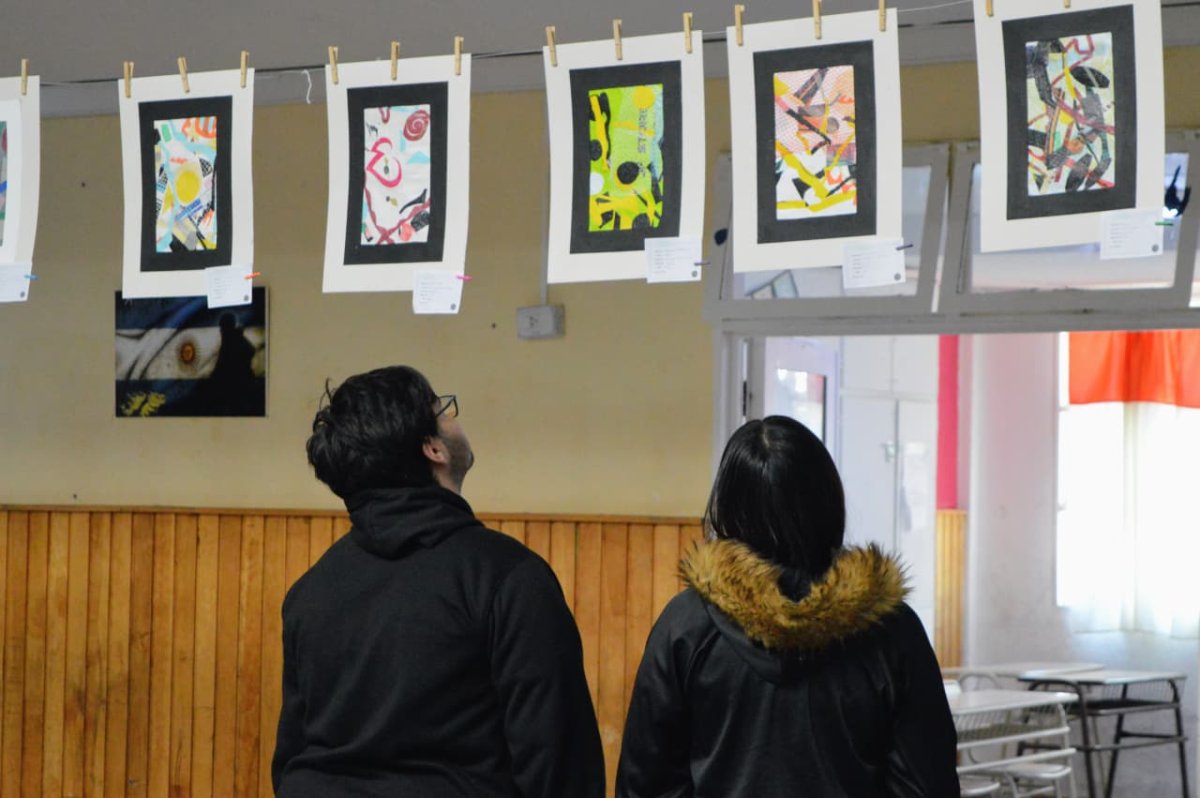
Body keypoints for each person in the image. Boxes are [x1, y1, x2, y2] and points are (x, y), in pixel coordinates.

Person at [272, 365, 605, 798]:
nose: (452, 417)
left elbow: (292, 753)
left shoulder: (309, 591)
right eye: (442, 410)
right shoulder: (508, 578)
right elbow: (558, 763)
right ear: (433, 448)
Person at [616, 416, 959, 797]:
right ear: (829, 502)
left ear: (727, 508)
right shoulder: (891, 631)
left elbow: (646, 783)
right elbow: (926, 785)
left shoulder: (685, 626)